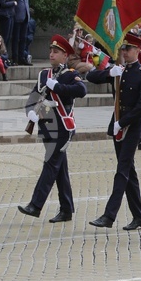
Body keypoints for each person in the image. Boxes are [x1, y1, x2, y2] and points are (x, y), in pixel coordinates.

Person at [17, 35, 88, 223]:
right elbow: (33, 97)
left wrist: (58, 86)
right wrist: (30, 113)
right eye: (50, 51)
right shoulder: (43, 75)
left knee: (50, 164)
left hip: (63, 128)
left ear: (65, 56)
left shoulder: (71, 74)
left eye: (56, 52)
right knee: (59, 168)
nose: (51, 54)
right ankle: (66, 209)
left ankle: (36, 205)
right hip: (47, 127)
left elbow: (81, 91)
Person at [86, 33, 141, 230]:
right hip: (117, 124)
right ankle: (140, 216)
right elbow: (90, 76)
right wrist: (109, 73)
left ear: (137, 51)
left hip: (131, 127)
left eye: (129, 49)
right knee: (129, 172)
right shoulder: (119, 70)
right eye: (123, 49)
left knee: (122, 170)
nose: (125, 52)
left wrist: (123, 121)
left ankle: (109, 215)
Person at [12, 0, 32, 65]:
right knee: (16, 38)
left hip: (25, 16)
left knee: (23, 38)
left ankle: (22, 57)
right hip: (17, 16)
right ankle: (15, 58)